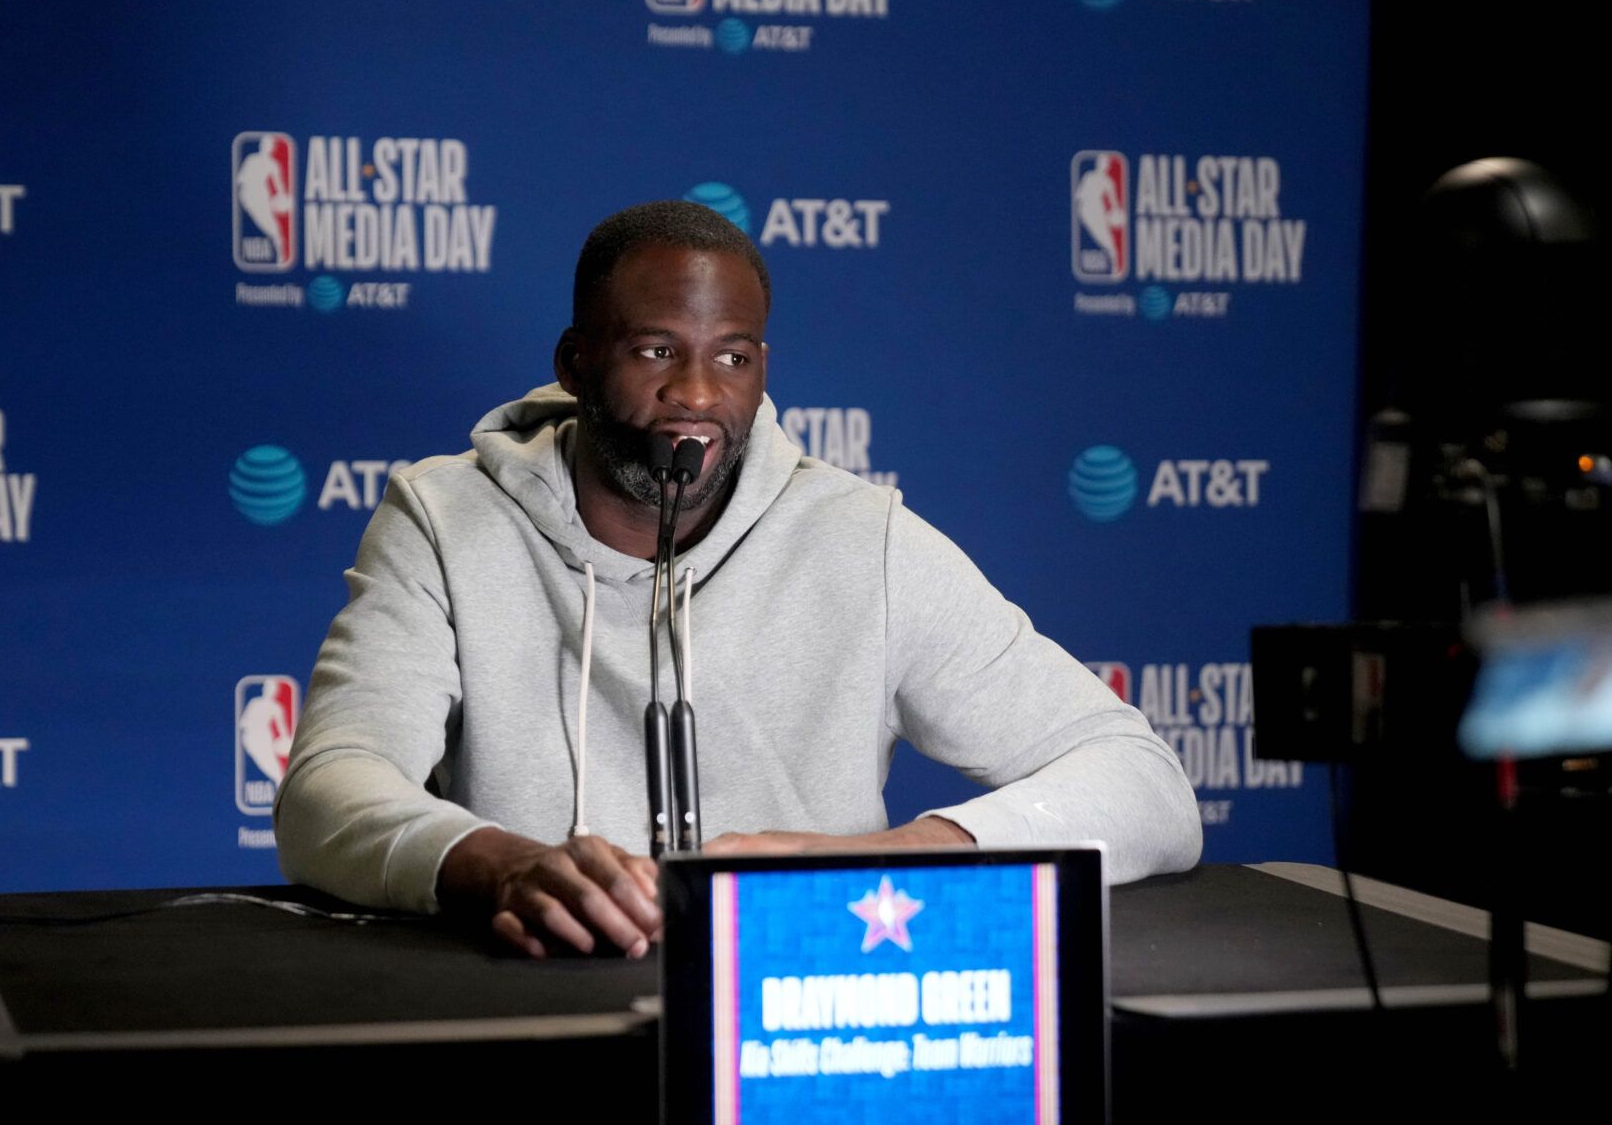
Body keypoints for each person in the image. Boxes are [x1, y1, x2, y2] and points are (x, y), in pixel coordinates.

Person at [276, 200, 1201, 958]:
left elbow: (1146, 784)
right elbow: (330, 789)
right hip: (537, 998)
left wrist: (892, 860)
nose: (699, 394)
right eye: (655, 351)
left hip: (801, 1012)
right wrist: (503, 864)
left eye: (733, 357)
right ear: (576, 361)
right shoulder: (444, 519)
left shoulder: (859, 537)